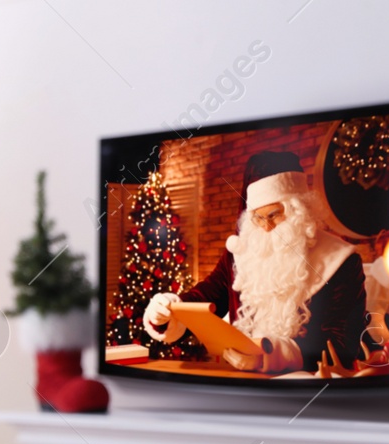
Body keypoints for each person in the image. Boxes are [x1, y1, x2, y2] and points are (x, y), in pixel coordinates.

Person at [143, 150, 367, 373]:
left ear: (300, 211)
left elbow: (342, 344)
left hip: (306, 383)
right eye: (258, 218)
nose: (266, 227)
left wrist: (269, 356)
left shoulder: (342, 261)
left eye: (274, 215)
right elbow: (206, 296)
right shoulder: (242, 251)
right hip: (242, 379)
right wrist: (170, 308)